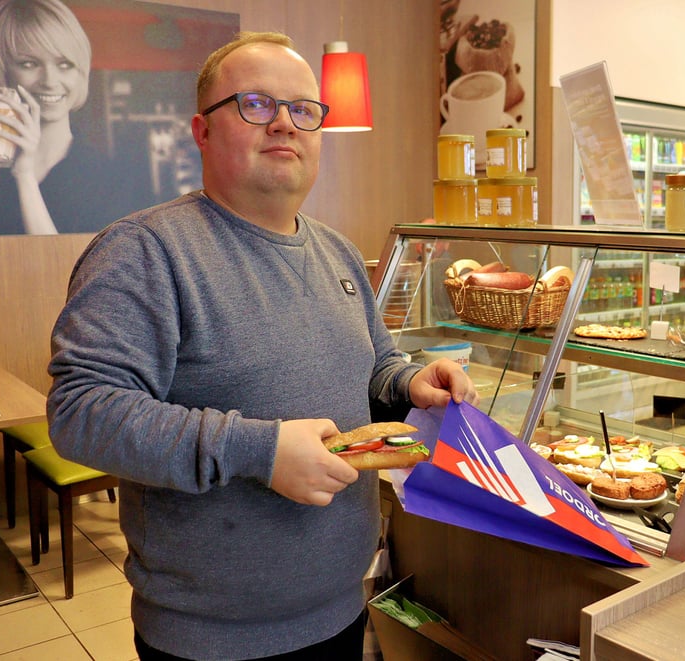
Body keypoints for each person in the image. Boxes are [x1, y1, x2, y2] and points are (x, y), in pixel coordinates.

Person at [47, 31, 477, 660]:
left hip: (340, 605)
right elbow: (81, 413)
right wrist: (260, 450)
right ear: (202, 131)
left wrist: (408, 382)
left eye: (304, 109)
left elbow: (376, 362)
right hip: (212, 638)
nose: (284, 124)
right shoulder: (145, 250)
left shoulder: (338, 251)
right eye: (255, 104)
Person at [0, 0, 133, 236]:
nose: (49, 80)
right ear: (3, 71)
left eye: (64, 64)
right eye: (29, 63)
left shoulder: (109, 178)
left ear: (81, 73)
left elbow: (75, 271)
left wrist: (25, 176)